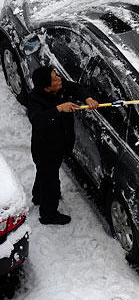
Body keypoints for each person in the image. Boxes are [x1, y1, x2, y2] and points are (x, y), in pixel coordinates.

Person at [27, 66, 99, 225]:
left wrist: (87, 98)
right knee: (51, 182)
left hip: (60, 144)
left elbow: (77, 88)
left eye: (56, 75)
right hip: (45, 150)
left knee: (44, 175)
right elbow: (37, 120)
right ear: (46, 88)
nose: (59, 79)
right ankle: (48, 214)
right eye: (54, 79)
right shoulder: (35, 100)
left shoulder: (59, 87)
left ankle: (38, 196)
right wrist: (58, 109)